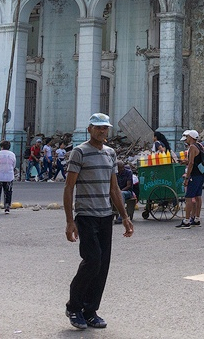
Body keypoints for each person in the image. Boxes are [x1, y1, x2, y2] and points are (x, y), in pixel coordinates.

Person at [63, 112, 134, 330]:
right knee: (92, 260)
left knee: (102, 265)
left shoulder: (111, 154)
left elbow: (114, 188)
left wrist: (124, 217)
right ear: (90, 129)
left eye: (105, 128)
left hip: (105, 215)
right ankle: (73, 306)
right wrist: (69, 221)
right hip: (85, 215)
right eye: (98, 127)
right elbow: (69, 187)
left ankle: (90, 310)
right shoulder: (79, 153)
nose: (102, 131)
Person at [177, 129, 204, 229]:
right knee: (198, 196)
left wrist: (187, 177)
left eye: (187, 137)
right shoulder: (199, 145)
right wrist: (186, 161)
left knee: (188, 198)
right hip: (201, 175)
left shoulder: (192, 147)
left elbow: (191, 163)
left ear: (191, 137)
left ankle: (186, 220)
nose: (186, 139)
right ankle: (196, 218)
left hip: (194, 175)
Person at [0, 140, 17, 214]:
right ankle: (7, 208)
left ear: (1, 147)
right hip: (9, 176)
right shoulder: (12, 154)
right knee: (8, 192)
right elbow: (14, 165)